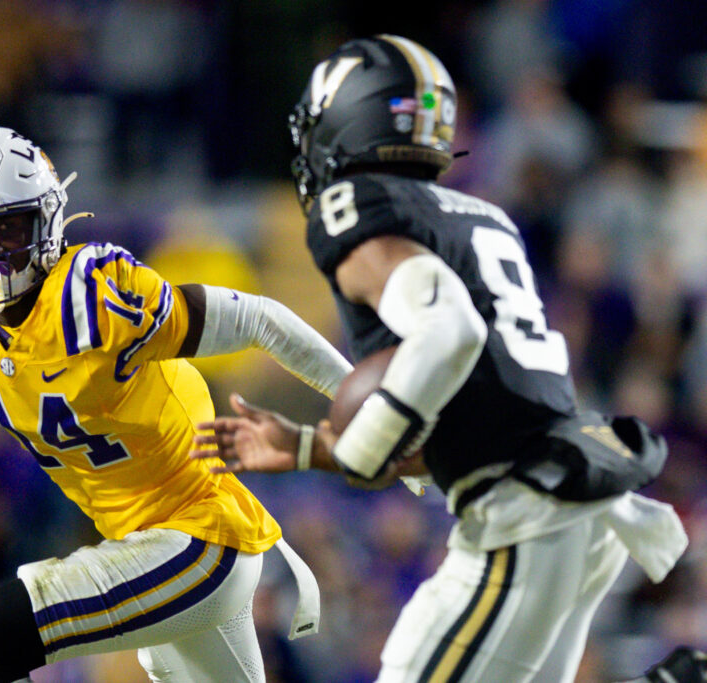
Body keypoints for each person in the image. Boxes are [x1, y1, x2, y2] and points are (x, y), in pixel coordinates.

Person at [191, 35, 690, 682]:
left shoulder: (355, 206)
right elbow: (476, 408)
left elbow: (447, 332)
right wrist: (309, 445)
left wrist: (360, 451)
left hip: (521, 512)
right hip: (569, 495)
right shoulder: (480, 217)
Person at [0, 126, 352, 682]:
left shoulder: (93, 296)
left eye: (8, 227)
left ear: (45, 221)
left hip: (200, 537)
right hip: (151, 546)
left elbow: (259, 320)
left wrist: (368, 408)